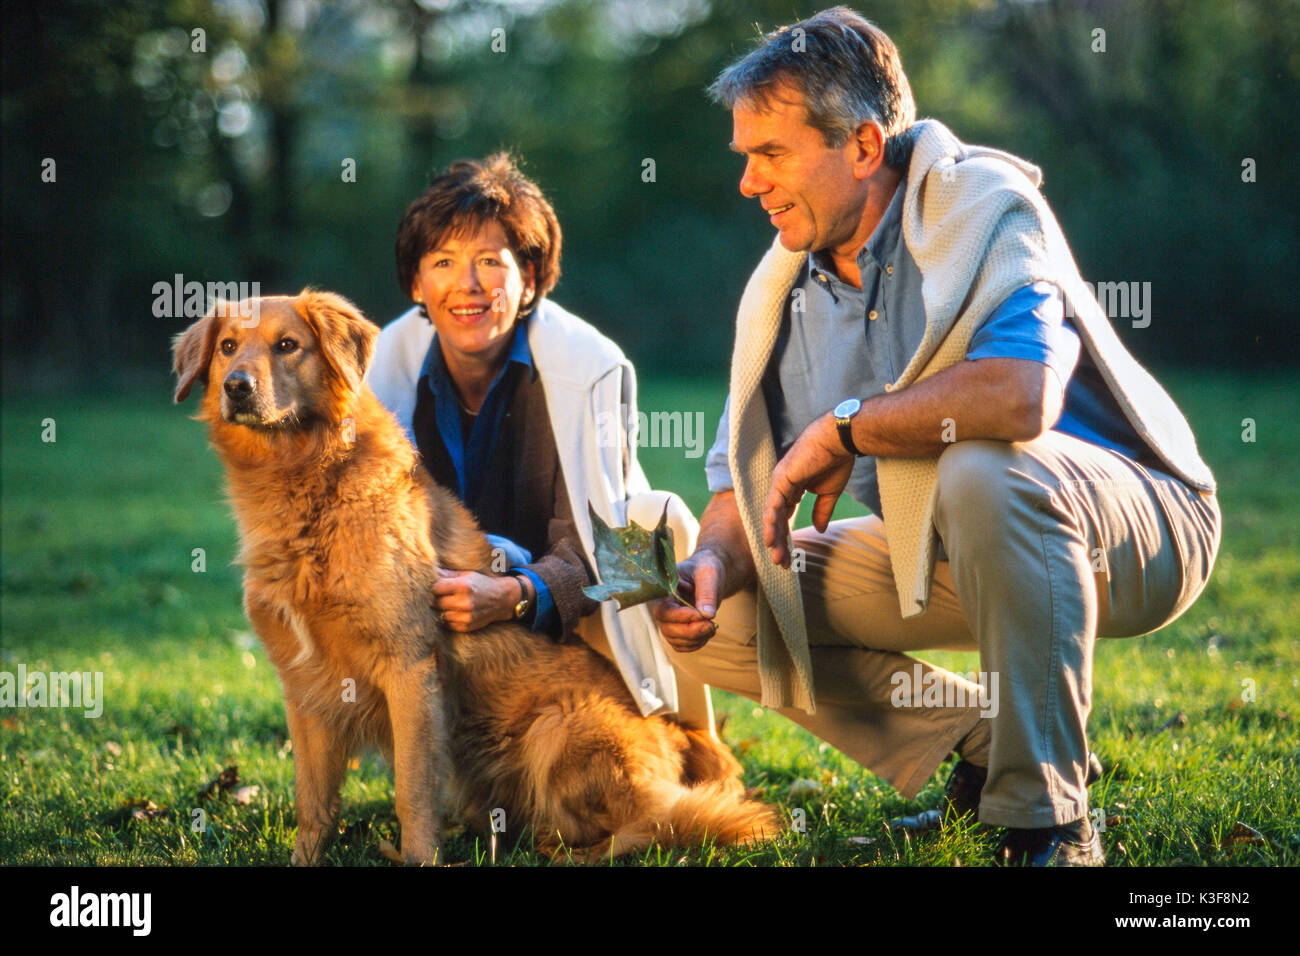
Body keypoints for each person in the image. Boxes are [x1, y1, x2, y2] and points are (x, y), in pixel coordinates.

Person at [651, 7, 1221, 865]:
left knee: (983, 472)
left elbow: (1020, 396)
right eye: (746, 159)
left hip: (1133, 527)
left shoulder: (989, 208)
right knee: (734, 608)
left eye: (771, 154)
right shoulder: (780, 291)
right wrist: (706, 566)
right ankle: (989, 742)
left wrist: (849, 430)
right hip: (944, 547)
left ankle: (1046, 822)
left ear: (865, 146)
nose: (749, 184)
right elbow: (739, 489)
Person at [368, 153, 713, 729]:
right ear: (416, 284)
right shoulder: (375, 373)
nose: (467, 285)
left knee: (657, 524)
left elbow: (600, 535)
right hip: (436, 607)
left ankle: (685, 744)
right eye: (444, 261)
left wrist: (514, 594)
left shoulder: (591, 364)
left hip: (569, 591)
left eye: (489, 261)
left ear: (527, 278)